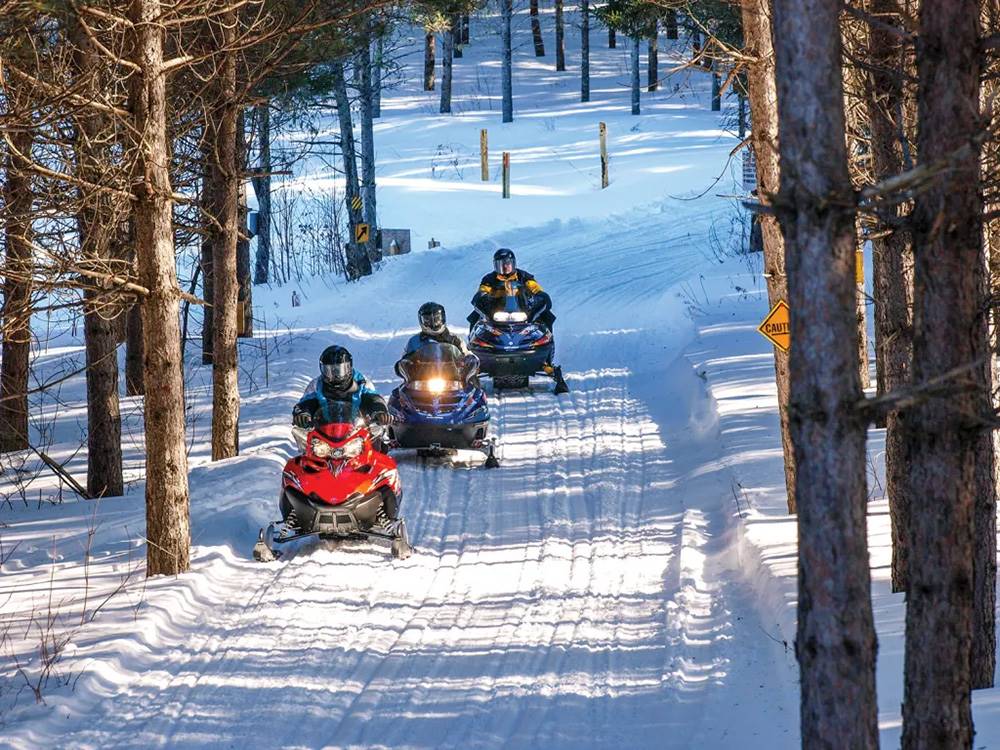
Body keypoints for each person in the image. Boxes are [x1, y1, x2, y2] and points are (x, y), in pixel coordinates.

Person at [293, 345, 389, 430]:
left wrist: (379, 411)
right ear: (322, 369)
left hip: (358, 431)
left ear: (349, 367)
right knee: (307, 447)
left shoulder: (362, 382)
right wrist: (303, 413)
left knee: (378, 445)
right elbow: (306, 402)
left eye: (340, 370)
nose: (335, 375)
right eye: (329, 370)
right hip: (324, 433)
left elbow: (374, 399)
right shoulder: (316, 385)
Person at [469, 248, 555, 331]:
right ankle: (473, 340)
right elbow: (483, 290)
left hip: (522, 309)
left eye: (507, 263)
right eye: (500, 264)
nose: (505, 266)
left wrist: (541, 295)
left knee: (547, 316)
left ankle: (548, 339)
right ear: (495, 265)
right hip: (496, 310)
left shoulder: (523, 276)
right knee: (474, 317)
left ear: (513, 263)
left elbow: (534, 287)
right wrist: (481, 297)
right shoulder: (489, 279)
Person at [403, 302, 469, 356]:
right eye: (427, 319)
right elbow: (405, 361)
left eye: (437, 319)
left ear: (442, 318)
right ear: (421, 320)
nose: (434, 323)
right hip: (423, 372)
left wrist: (470, 362)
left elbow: (467, 357)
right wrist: (401, 365)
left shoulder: (455, 340)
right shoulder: (414, 341)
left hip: (451, 372)